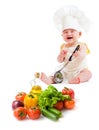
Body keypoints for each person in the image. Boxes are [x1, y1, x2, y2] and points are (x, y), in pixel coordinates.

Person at [40, 5, 92, 84]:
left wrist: (80, 54)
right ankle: (49, 80)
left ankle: (77, 79)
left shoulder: (81, 45)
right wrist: (61, 56)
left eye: (72, 31)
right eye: (65, 32)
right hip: (66, 71)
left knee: (88, 73)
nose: (69, 34)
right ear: (62, 35)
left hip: (79, 70)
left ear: (80, 34)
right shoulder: (63, 47)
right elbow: (59, 61)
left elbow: (83, 55)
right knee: (56, 74)